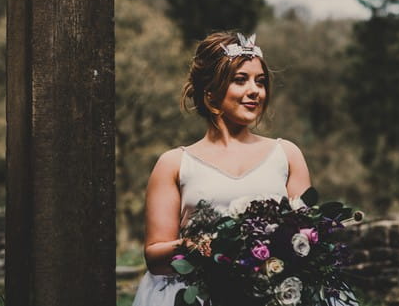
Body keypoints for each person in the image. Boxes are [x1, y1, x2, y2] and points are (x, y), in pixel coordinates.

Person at [132, 31, 312, 306]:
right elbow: (155, 257)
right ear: (211, 95)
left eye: (260, 82)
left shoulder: (287, 155)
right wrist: (202, 247)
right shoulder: (174, 164)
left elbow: (308, 239)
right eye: (240, 80)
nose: (255, 90)